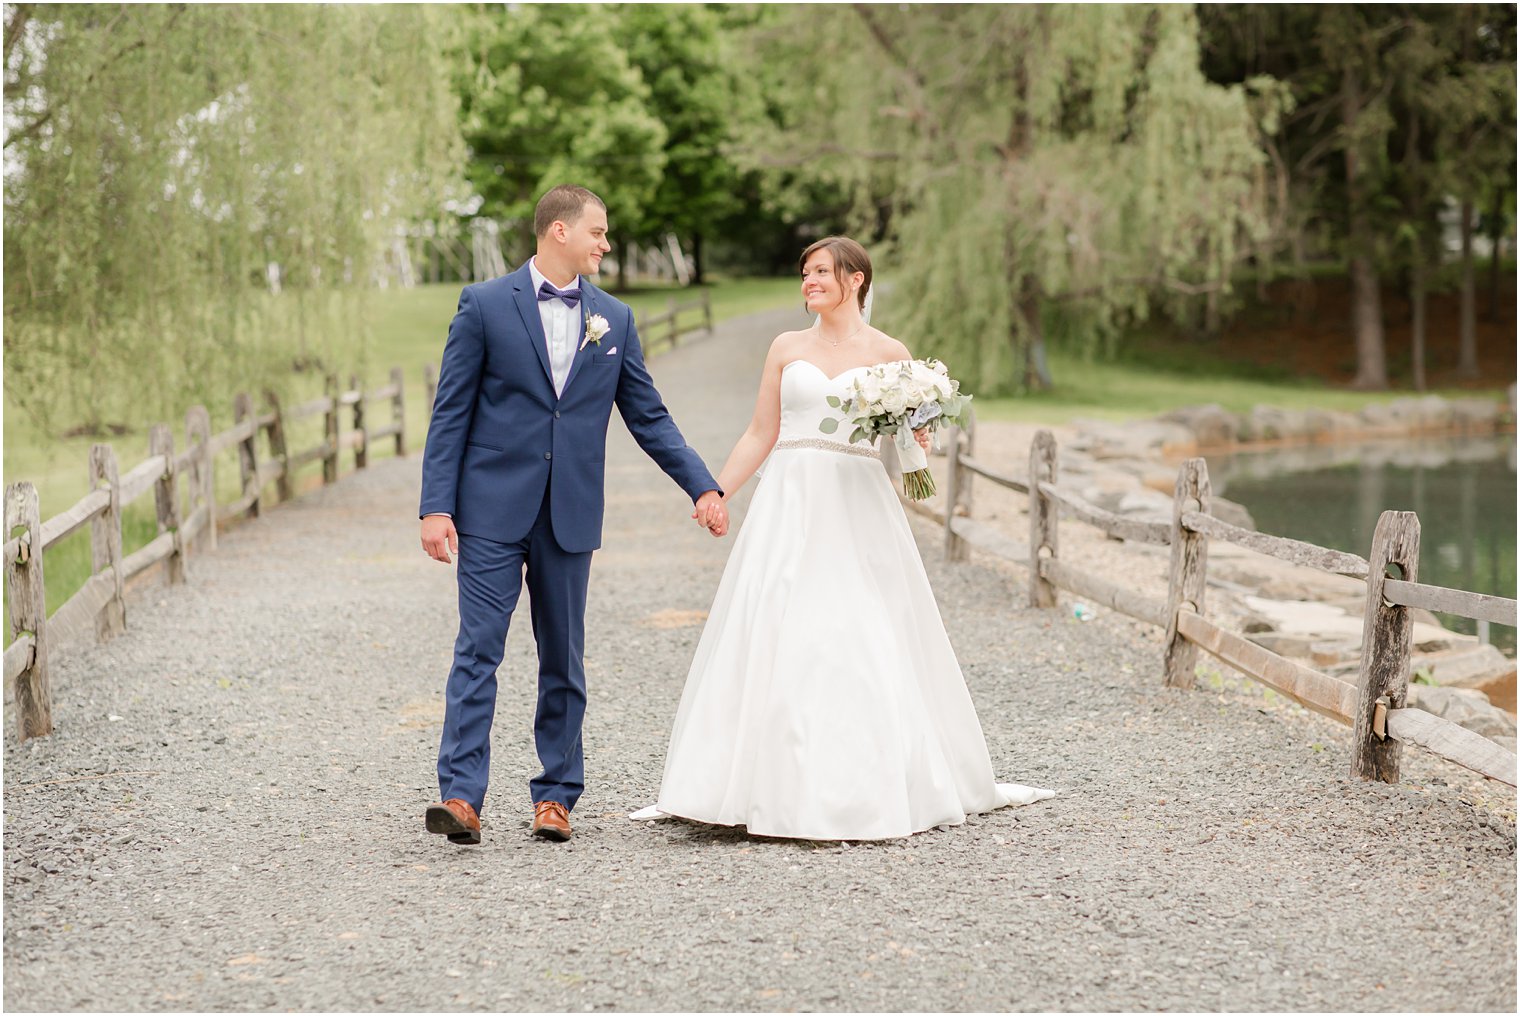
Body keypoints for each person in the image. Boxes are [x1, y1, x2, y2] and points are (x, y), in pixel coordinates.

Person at [632, 236, 1054, 840]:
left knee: (855, 625)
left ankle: (856, 783)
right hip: (790, 496)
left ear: (855, 279)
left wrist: (917, 437)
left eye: (822, 272)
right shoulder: (786, 347)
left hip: (856, 499)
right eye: (805, 273)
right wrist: (716, 491)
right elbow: (760, 431)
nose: (809, 282)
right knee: (774, 619)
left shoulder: (890, 354)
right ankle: (742, 783)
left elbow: (909, 454)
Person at [419, 185, 727, 846]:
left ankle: (556, 797)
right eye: (598, 232)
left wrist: (700, 486)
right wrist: (436, 506)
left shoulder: (613, 318)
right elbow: (450, 413)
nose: (605, 244)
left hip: (570, 512)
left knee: (563, 656)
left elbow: (648, 416)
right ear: (558, 231)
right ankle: (462, 796)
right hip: (489, 510)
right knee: (478, 648)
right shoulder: (482, 306)